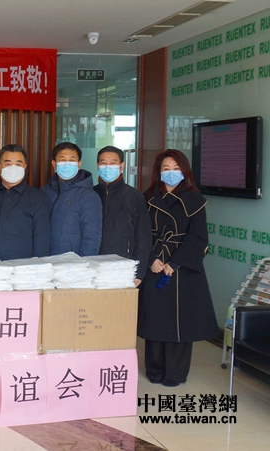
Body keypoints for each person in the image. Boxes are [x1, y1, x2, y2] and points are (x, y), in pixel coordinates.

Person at [139, 149, 218, 387]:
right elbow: (141, 232)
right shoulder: (147, 197)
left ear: (184, 171)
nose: (171, 173)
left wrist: (175, 262)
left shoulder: (195, 199)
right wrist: (151, 258)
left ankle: (175, 373)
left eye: (176, 168)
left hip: (182, 268)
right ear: (158, 172)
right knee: (155, 321)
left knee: (180, 324)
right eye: (166, 168)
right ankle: (154, 370)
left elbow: (199, 237)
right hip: (155, 264)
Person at [0, 144, 51, 260]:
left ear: (24, 167)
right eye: (8, 164)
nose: (13, 168)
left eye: (18, 164)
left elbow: (41, 239)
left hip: (21, 266)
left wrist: (37, 267)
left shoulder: (38, 198)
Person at [93, 146, 151, 285]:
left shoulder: (134, 197)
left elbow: (143, 238)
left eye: (113, 163)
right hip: (91, 268)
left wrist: (138, 273)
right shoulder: (90, 194)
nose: (108, 167)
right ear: (97, 165)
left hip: (124, 269)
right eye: (103, 163)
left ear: (122, 166)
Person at [41, 142, 102, 256]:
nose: (67, 164)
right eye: (62, 160)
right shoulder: (44, 192)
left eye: (72, 160)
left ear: (79, 164)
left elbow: (92, 237)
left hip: (73, 263)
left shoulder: (88, 196)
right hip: (45, 260)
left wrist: (85, 263)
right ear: (54, 164)